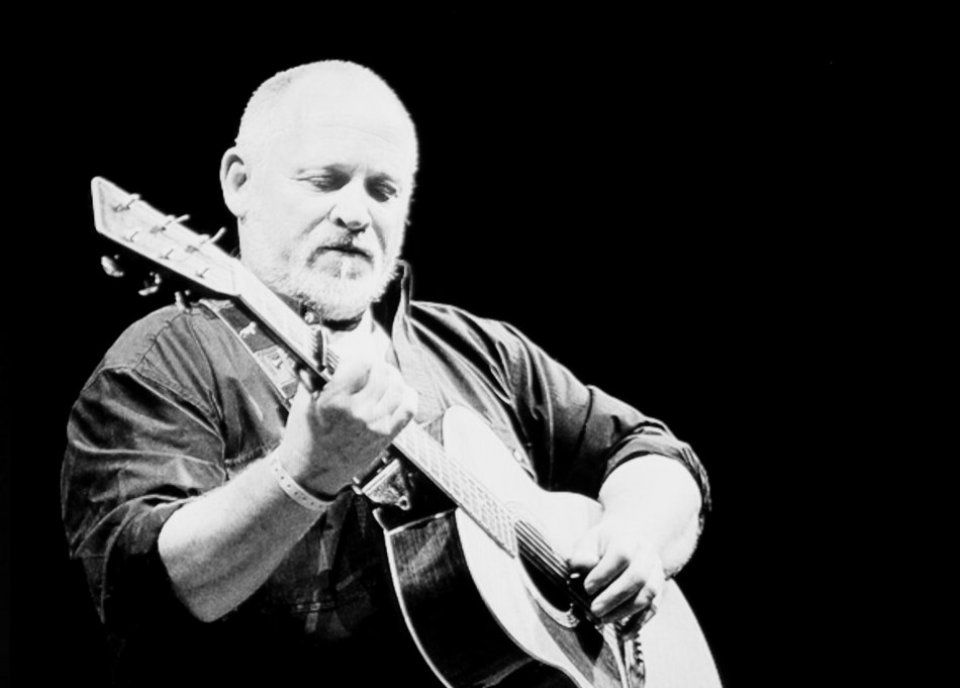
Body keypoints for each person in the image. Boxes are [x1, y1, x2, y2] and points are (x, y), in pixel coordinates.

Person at [62, 60, 711, 687]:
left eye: (383, 190)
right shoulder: (162, 363)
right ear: (238, 183)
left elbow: (654, 453)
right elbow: (147, 589)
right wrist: (305, 472)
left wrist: (636, 535)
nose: (356, 213)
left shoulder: (474, 347)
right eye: (325, 181)